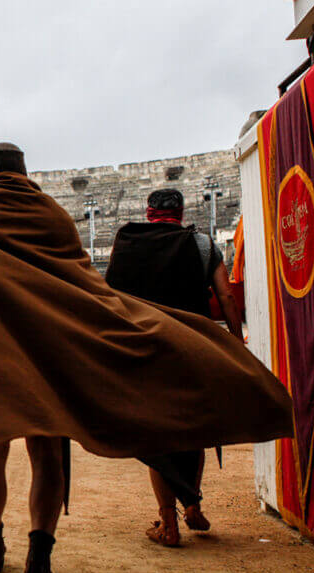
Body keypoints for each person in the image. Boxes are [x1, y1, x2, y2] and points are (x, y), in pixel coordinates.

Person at [0, 143, 292, 573]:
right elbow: (87, 288)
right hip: (50, 359)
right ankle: (41, 558)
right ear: (25, 173)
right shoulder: (53, 218)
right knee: (47, 453)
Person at [104, 189, 245, 547]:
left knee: (160, 436)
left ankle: (169, 524)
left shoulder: (128, 241)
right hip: (193, 349)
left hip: (148, 352)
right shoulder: (200, 243)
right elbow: (226, 296)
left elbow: (110, 297)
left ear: (149, 213)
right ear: (180, 213)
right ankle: (192, 504)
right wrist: (236, 342)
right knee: (194, 430)